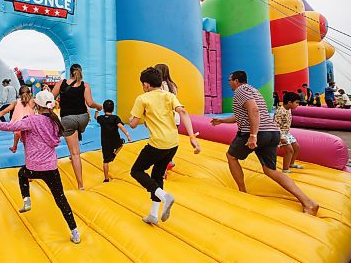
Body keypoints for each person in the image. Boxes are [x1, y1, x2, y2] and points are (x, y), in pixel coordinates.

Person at [0, 90, 81, 244]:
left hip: (33, 168)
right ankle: (75, 231)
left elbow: (8, 127)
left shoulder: (31, 120)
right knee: (61, 199)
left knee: (22, 174)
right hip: (51, 169)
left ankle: (27, 199)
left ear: (38, 105)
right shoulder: (56, 121)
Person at [210, 71, 319, 216]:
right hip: (272, 133)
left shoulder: (241, 90)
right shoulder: (253, 90)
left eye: (229, 80)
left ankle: (242, 192)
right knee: (270, 170)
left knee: (231, 156)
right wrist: (222, 121)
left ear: (236, 81)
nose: (228, 83)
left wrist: (253, 135)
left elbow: (254, 110)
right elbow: (243, 115)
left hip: (256, 133)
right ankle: (308, 202)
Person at [129, 67, 200, 225]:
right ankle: (153, 214)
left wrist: (132, 117)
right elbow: (183, 113)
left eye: (143, 84)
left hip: (157, 144)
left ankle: (163, 196)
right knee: (157, 175)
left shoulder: (143, 99)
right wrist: (192, 136)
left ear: (146, 85)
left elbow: (133, 124)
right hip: (173, 143)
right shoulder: (169, 96)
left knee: (136, 171)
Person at [52, 64, 103, 190]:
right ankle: (78, 132)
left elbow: (50, 99)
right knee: (77, 129)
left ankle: (80, 185)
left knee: (75, 154)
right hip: (83, 119)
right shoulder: (85, 85)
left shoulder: (61, 83)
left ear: (70, 73)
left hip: (68, 120)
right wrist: (99, 107)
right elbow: (90, 103)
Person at [94, 100, 132, 182]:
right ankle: (114, 154)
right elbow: (120, 126)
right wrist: (127, 135)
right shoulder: (115, 118)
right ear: (113, 109)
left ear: (103, 109)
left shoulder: (101, 118)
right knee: (121, 144)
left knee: (105, 161)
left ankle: (106, 178)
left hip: (105, 143)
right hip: (115, 141)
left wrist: (97, 110)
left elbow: (96, 117)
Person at [0, 85, 35, 153]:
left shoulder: (16, 102)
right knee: (27, 138)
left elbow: (3, 112)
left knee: (17, 133)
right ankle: (24, 145)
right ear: (30, 93)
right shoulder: (33, 102)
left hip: (18, 126)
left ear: (19, 95)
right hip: (28, 125)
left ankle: (15, 146)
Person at [154, 64, 179, 177]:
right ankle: (169, 161)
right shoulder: (173, 86)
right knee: (170, 142)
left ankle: (162, 169)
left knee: (161, 144)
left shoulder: (160, 87)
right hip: (175, 118)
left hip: (165, 118)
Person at [274, 92, 304, 173]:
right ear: (289, 102)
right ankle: (285, 169)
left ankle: (291, 163)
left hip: (286, 132)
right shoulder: (280, 111)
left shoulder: (289, 109)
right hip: (280, 133)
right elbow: (276, 125)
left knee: (296, 147)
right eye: (296, 102)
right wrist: (282, 137)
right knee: (289, 150)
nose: (298, 104)